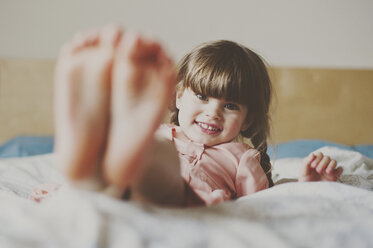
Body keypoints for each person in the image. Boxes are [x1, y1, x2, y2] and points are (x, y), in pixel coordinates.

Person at [30, 25, 343, 206]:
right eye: (203, 96)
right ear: (178, 95)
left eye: (230, 105)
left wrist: (310, 186)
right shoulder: (163, 134)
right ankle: (89, 167)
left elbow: (261, 205)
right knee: (139, 160)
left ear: (248, 121)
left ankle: (105, 159)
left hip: (190, 200)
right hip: (131, 182)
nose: (213, 112)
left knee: (158, 161)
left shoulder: (243, 157)